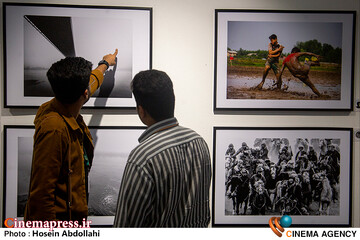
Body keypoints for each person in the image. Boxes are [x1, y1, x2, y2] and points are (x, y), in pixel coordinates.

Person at [24, 49, 118, 222]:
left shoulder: (63, 100)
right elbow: (41, 195)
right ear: (84, 94)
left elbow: (92, 81)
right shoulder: (54, 128)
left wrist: (104, 64)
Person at [113, 70, 212, 227]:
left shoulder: (143, 157)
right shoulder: (198, 142)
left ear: (141, 110)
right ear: (172, 101)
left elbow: (126, 226)